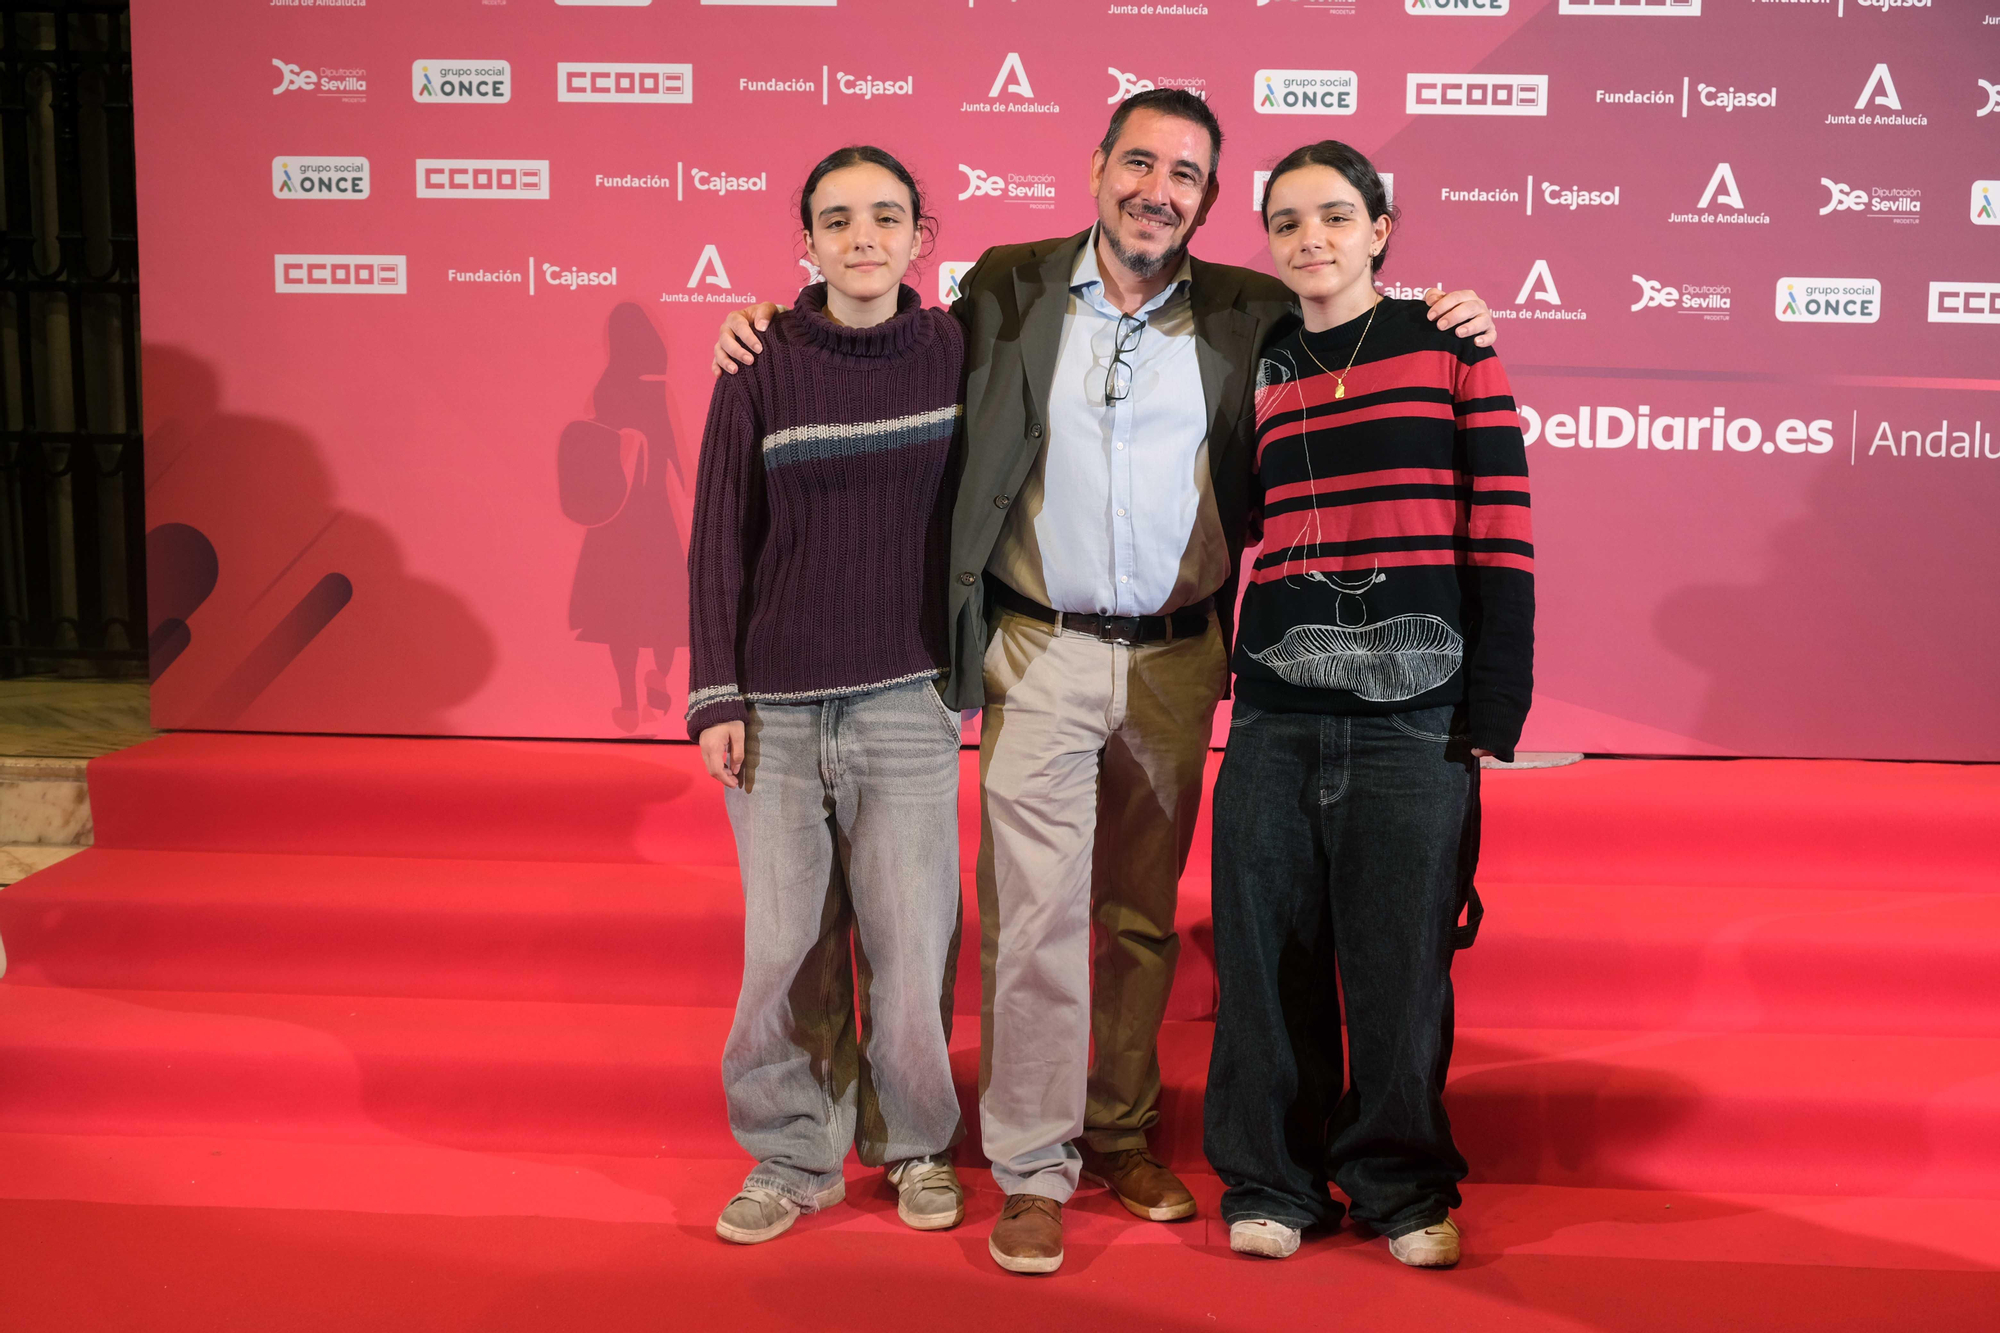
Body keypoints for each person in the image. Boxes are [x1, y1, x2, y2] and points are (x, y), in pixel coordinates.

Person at [713, 90, 1498, 1276]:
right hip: (1038, 646)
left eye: (1184, 176)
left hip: (1183, 656)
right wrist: (766, 324)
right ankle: (1033, 1164)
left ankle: (1122, 1132)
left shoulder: (1251, 308)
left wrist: (1451, 308)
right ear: (1095, 167)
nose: (1156, 189)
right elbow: (870, 322)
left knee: (1136, 918)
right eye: (1138, 162)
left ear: (1208, 201)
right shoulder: (1005, 289)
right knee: (1030, 917)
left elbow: (1358, 318)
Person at [1202, 140, 1533, 1269]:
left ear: (1381, 227)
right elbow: (1235, 515)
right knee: (1263, 953)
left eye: (1336, 216)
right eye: (1287, 221)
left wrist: (1492, 711)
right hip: (1274, 704)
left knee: (1399, 963)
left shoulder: (1448, 344)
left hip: (1415, 713)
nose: (1312, 240)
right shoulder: (1257, 356)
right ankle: (1271, 1181)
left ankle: (1397, 1185)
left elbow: (1497, 527)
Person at [686, 145, 968, 1247]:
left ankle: (915, 1150)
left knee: (909, 949)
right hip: (778, 708)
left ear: (917, 234)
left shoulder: (955, 348)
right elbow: (718, 536)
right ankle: (790, 1156)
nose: (862, 236)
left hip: (908, 701)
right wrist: (716, 698)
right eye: (837, 219)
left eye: (885, 216)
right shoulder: (758, 359)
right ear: (804, 241)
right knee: (785, 952)